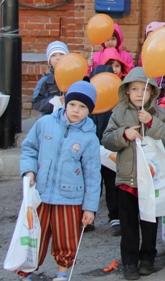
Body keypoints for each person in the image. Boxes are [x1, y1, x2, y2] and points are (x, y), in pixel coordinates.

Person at [19, 81, 101, 279]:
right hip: (41, 193)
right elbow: (29, 148)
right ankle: (27, 272)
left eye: (82, 107)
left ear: (89, 111)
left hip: (69, 197)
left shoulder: (89, 138)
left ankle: (62, 274)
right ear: (65, 102)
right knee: (34, 235)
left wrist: (89, 208)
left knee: (66, 238)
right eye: (73, 104)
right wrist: (29, 171)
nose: (76, 110)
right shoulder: (45, 123)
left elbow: (92, 175)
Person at [102, 67, 165, 281]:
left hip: (152, 181)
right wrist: (123, 134)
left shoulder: (161, 114)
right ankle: (129, 262)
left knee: (150, 222)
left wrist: (151, 123)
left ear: (152, 92)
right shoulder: (118, 114)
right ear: (126, 91)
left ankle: (147, 259)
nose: (138, 94)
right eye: (134, 89)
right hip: (128, 179)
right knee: (129, 224)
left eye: (143, 90)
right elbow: (106, 139)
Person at [90, 65, 121, 236]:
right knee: (92, 185)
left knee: (112, 184)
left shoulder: (117, 103)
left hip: (109, 149)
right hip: (91, 150)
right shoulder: (89, 103)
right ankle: (88, 216)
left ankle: (115, 216)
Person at [32, 41, 69, 115]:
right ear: (49, 61)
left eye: (61, 54)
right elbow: (36, 102)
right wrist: (54, 102)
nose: (58, 58)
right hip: (51, 120)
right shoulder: (45, 80)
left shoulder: (74, 77)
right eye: (53, 55)